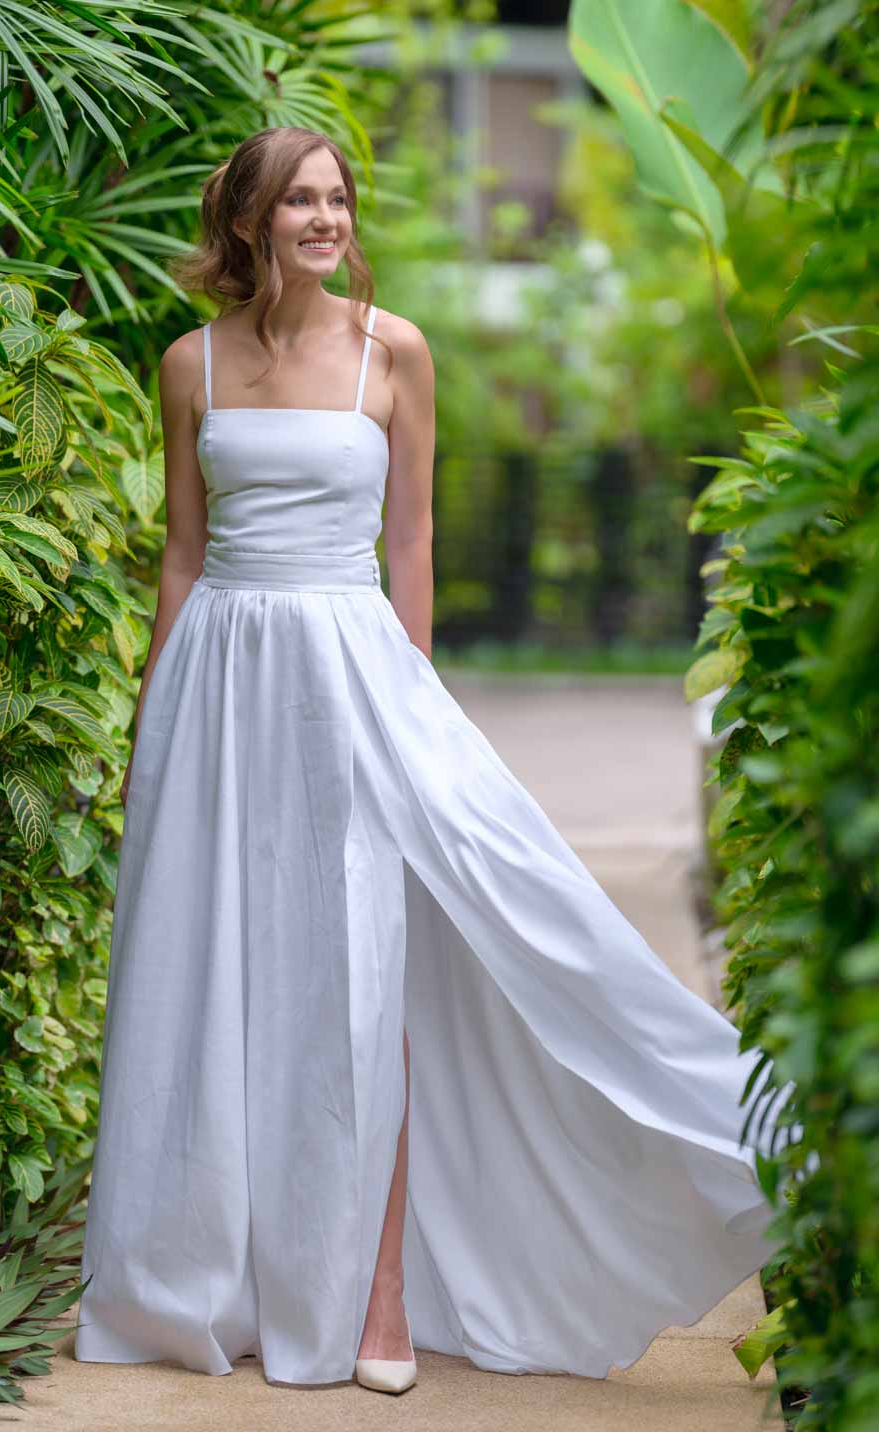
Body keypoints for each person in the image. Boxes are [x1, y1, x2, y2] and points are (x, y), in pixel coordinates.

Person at [73, 126, 794, 1396]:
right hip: (219, 688)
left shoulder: (392, 352)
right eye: (297, 199)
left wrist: (415, 709)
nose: (324, 217)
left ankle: (382, 1290)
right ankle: (217, 1276)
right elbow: (181, 558)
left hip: (354, 677)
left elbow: (410, 549)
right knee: (220, 974)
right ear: (246, 220)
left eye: (336, 197)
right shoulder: (189, 365)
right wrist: (150, 730)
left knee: (362, 982)